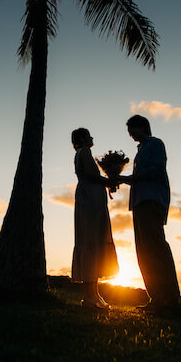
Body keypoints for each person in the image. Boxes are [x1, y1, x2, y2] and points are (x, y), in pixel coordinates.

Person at [119, 115, 181, 321]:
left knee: (156, 249)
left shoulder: (155, 144)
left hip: (151, 200)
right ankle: (155, 298)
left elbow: (155, 170)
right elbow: (139, 178)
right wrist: (123, 179)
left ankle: (171, 301)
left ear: (143, 127)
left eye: (133, 129)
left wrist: (130, 178)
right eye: (129, 130)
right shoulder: (139, 150)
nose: (131, 134)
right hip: (139, 202)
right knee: (143, 251)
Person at [71, 127, 119, 308]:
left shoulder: (85, 153)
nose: (92, 139)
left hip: (93, 197)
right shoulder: (84, 152)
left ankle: (94, 294)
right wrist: (109, 181)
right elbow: (91, 175)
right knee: (90, 240)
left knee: (95, 241)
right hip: (89, 198)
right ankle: (89, 296)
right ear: (83, 139)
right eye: (89, 136)